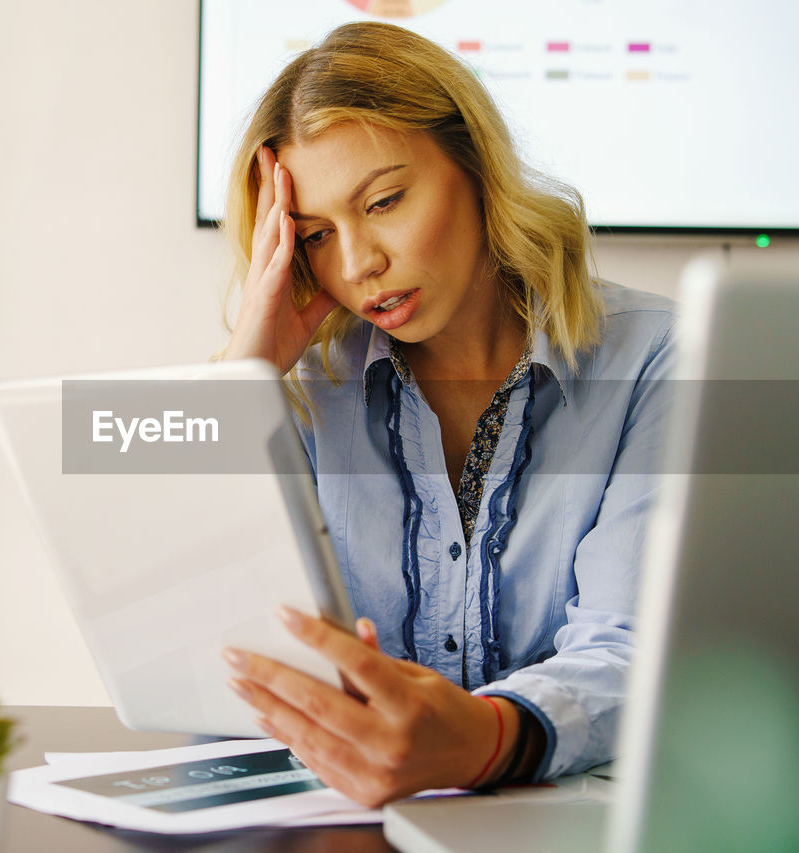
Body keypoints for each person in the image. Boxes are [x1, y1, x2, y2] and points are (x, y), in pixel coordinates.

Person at [219, 22, 676, 808]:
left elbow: (639, 647)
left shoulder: (659, 358)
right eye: (318, 235)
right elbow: (207, 648)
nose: (359, 263)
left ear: (474, 165)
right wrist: (245, 372)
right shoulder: (296, 388)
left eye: (385, 201)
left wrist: (485, 735)